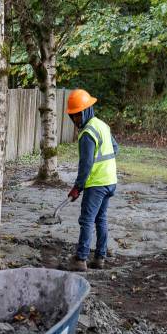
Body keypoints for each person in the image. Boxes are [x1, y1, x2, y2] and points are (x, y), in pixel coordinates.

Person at [66, 89, 118, 270]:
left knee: (87, 220)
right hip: (110, 181)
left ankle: (80, 260)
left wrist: (77, 187)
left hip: (96, 184)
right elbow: (115, 148)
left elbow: (86, 164)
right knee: (101, 219)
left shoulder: (87, 133)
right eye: (73, 117)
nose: (75, 120)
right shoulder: (102, 125)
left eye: (77, 115)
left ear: (86, 111)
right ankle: (100, 258)